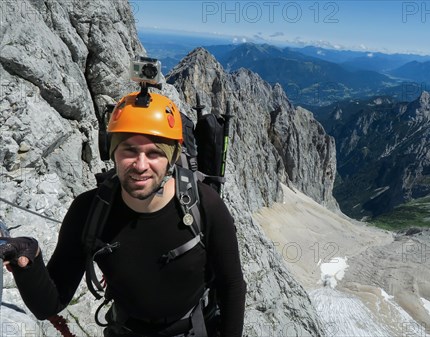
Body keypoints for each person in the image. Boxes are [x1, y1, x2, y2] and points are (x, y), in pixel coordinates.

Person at [0, 92, 247, 336]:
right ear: (111, 151)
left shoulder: (205, 204)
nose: (140, 165)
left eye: (154, 153)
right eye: (129, 150)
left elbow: (232, 285)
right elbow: (49, 305)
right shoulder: (88, 211)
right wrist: (28, 262)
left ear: (171, 157)